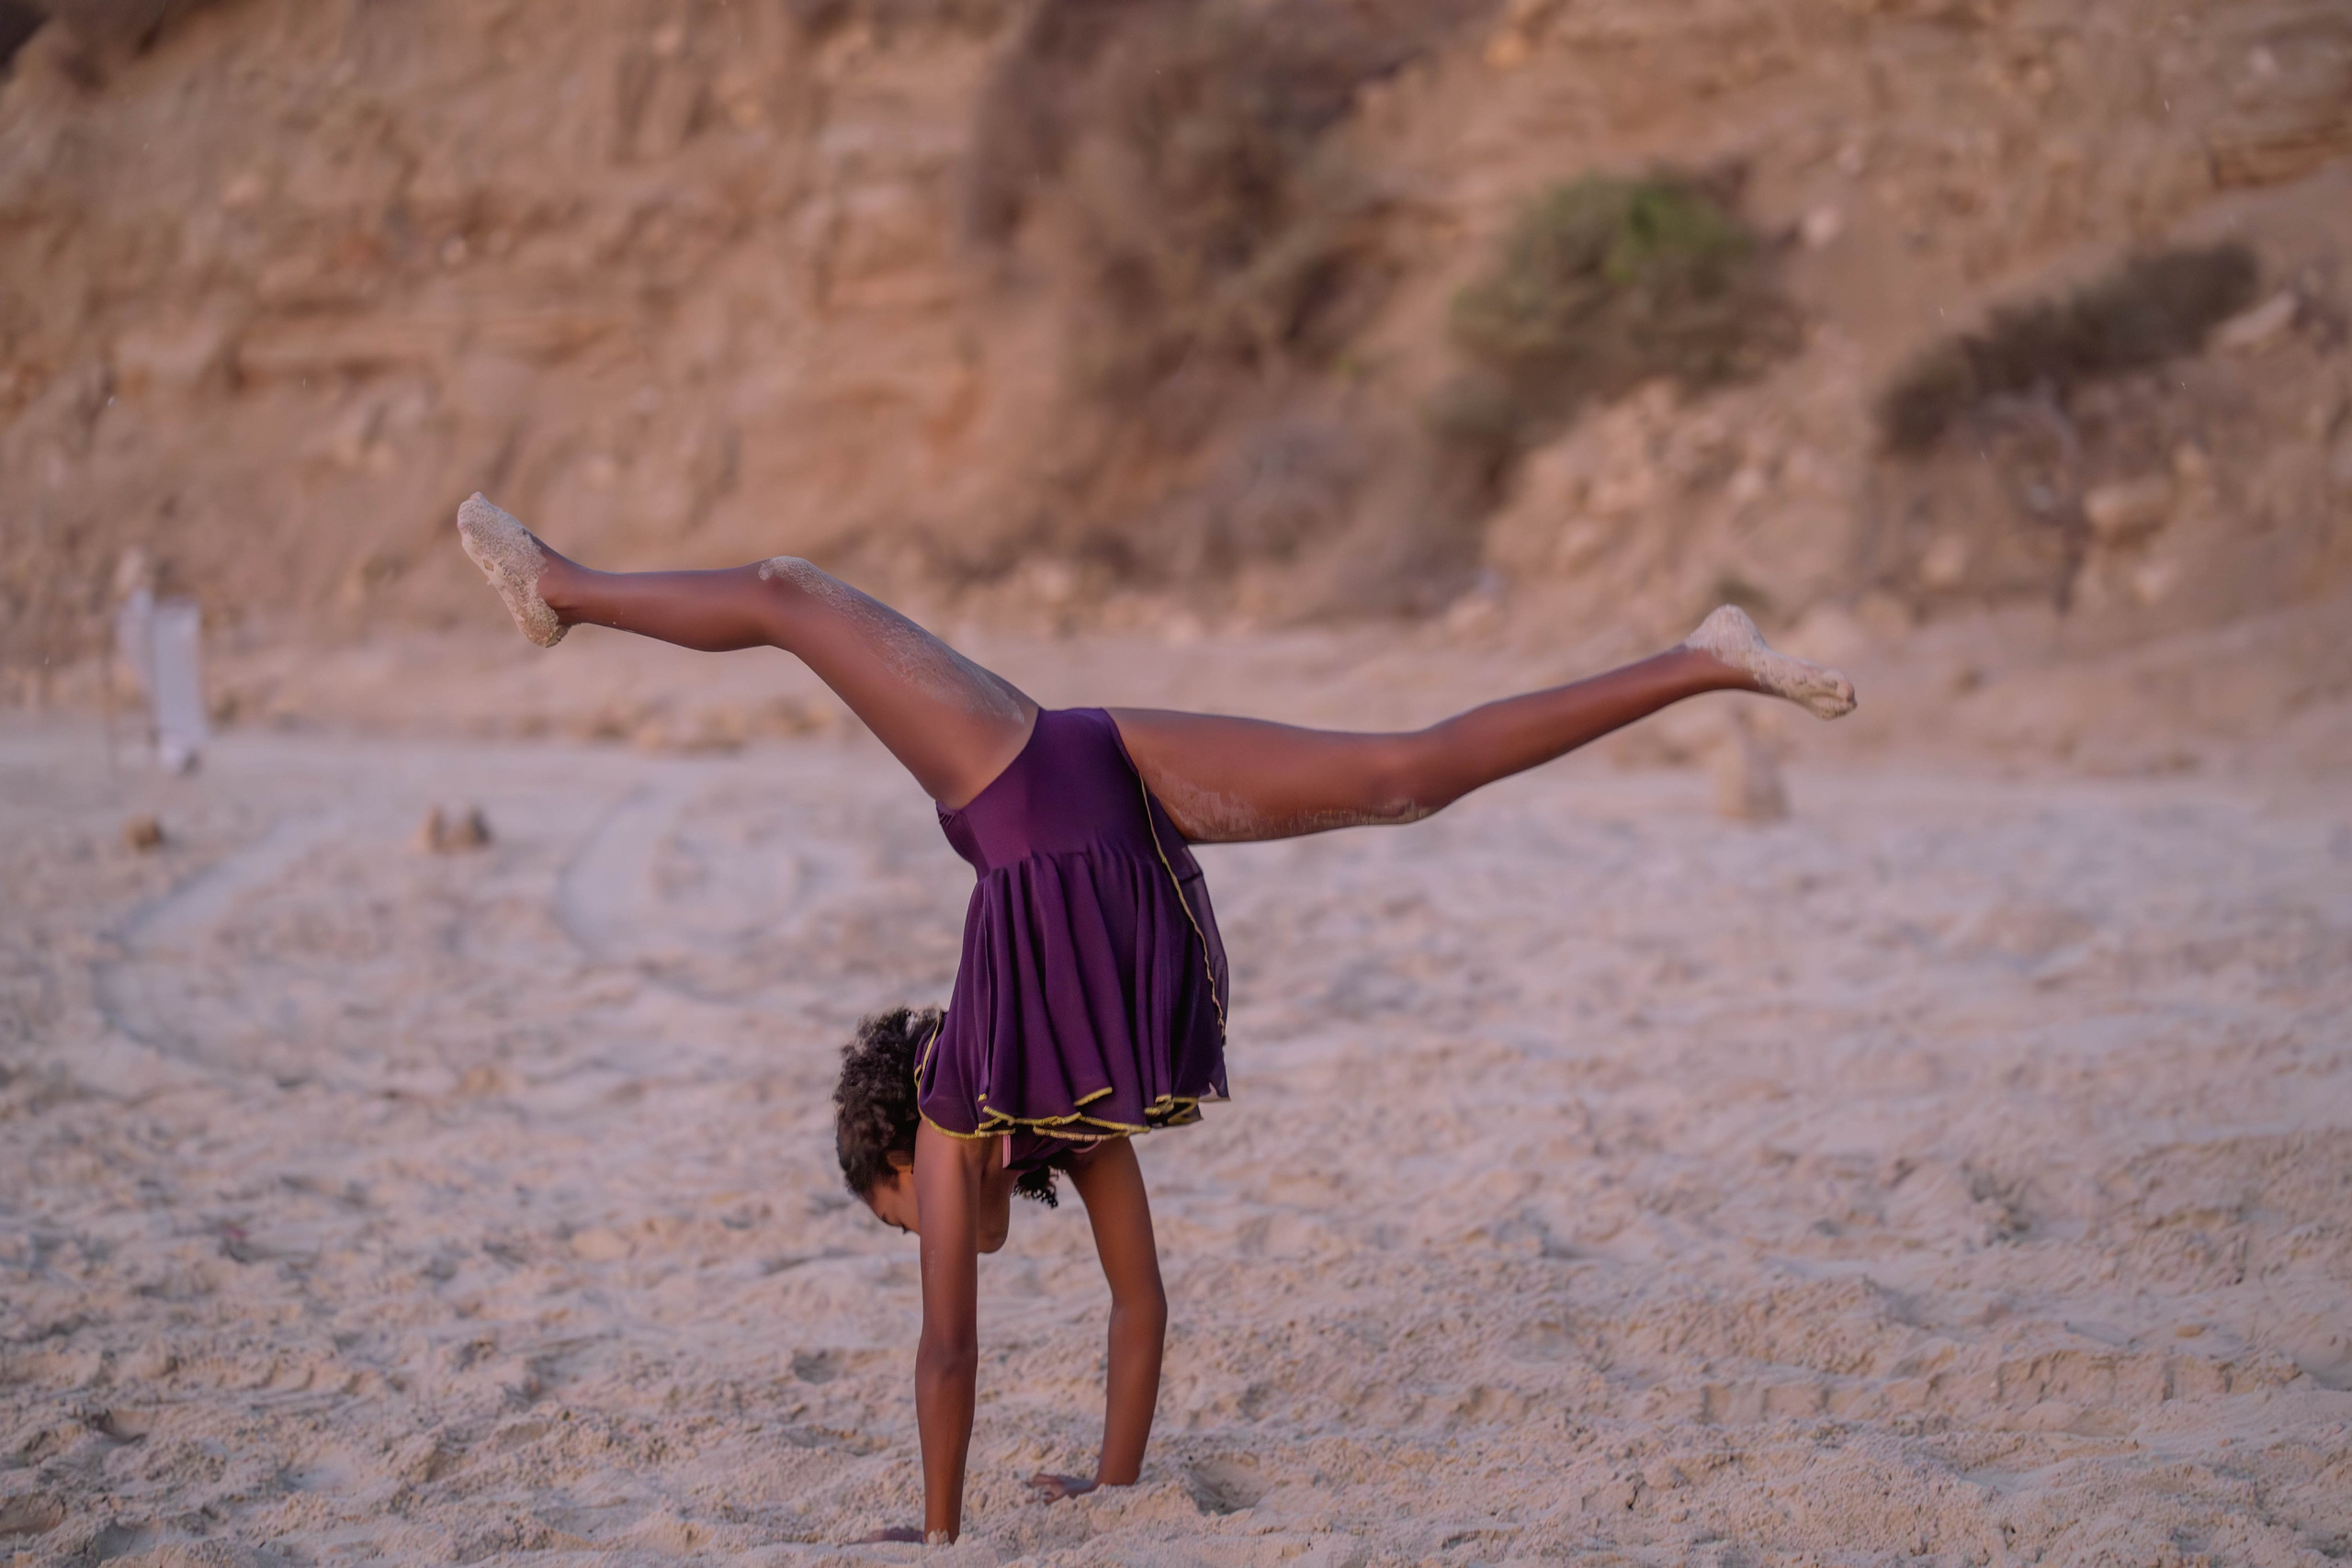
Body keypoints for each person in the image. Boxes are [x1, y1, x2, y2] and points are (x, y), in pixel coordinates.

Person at [454, 492, 1856, 1544]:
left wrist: (938, 1538)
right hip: (1099, 769)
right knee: (1406, 779)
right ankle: (1702, 660)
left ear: (900, 1156)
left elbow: (949, 1351)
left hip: (1020, 781)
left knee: (790, 593)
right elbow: (1140, 1301)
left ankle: (562, 588)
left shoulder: (962, 1118)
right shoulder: (1059, 1116)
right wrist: (1117, 1490)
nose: (936, 1239)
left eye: (904, 1218)